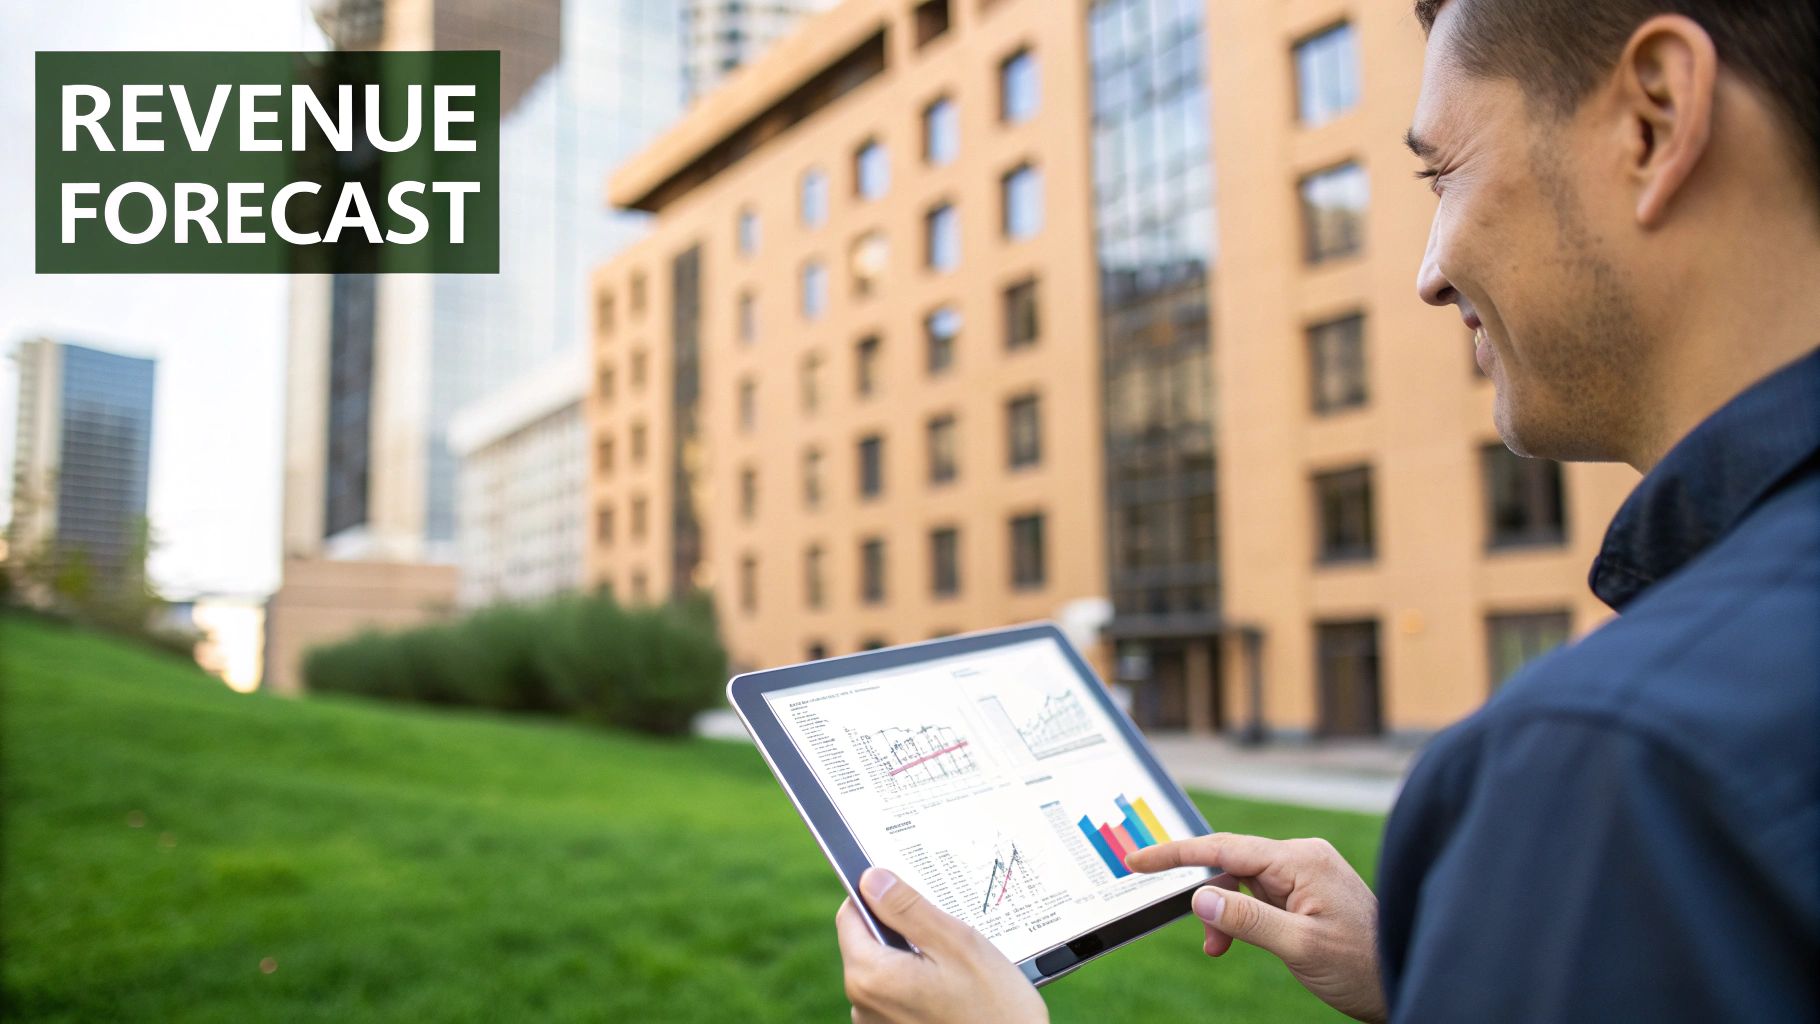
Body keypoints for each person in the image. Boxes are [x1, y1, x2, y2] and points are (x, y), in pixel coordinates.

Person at [834, 0, 1820, 1019]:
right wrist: (1434, 973)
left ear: (1651, 121)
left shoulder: (1608, 765)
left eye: (1440, 175)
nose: (1428, 273)